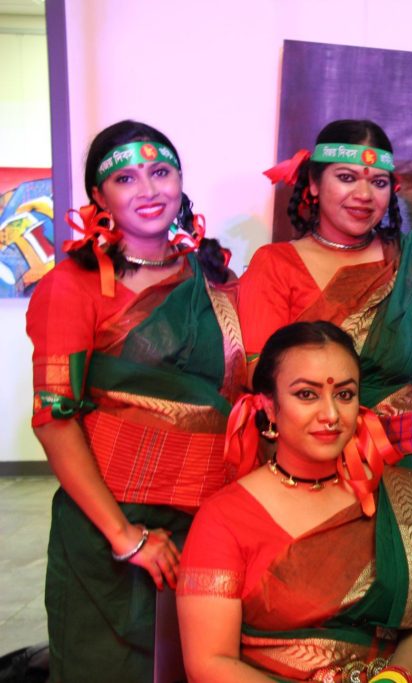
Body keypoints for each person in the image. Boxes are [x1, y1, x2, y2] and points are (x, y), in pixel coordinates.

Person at [25, 120, 244, 681]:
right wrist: (125, 537)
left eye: (161, 172)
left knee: (200, 663)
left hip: (209, 522)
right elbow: (54, 421)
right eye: (126, 178)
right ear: (98, 197)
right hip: (109, 527)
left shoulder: (215, 279)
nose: (149, 190)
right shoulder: (71, 287)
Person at [177, 321, 412, 682]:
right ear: (269, 406)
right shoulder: (224, 519)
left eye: (345, 395)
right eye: (307, 395)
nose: (331, 415)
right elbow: (209, 662)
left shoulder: (408, 499)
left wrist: (394, 678)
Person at [241, 119, 412, 491]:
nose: (364, 194)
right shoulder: (275, 266)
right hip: (318, 474)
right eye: (347, 178)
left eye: (378, 182)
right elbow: (264, 383)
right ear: (313, 183)